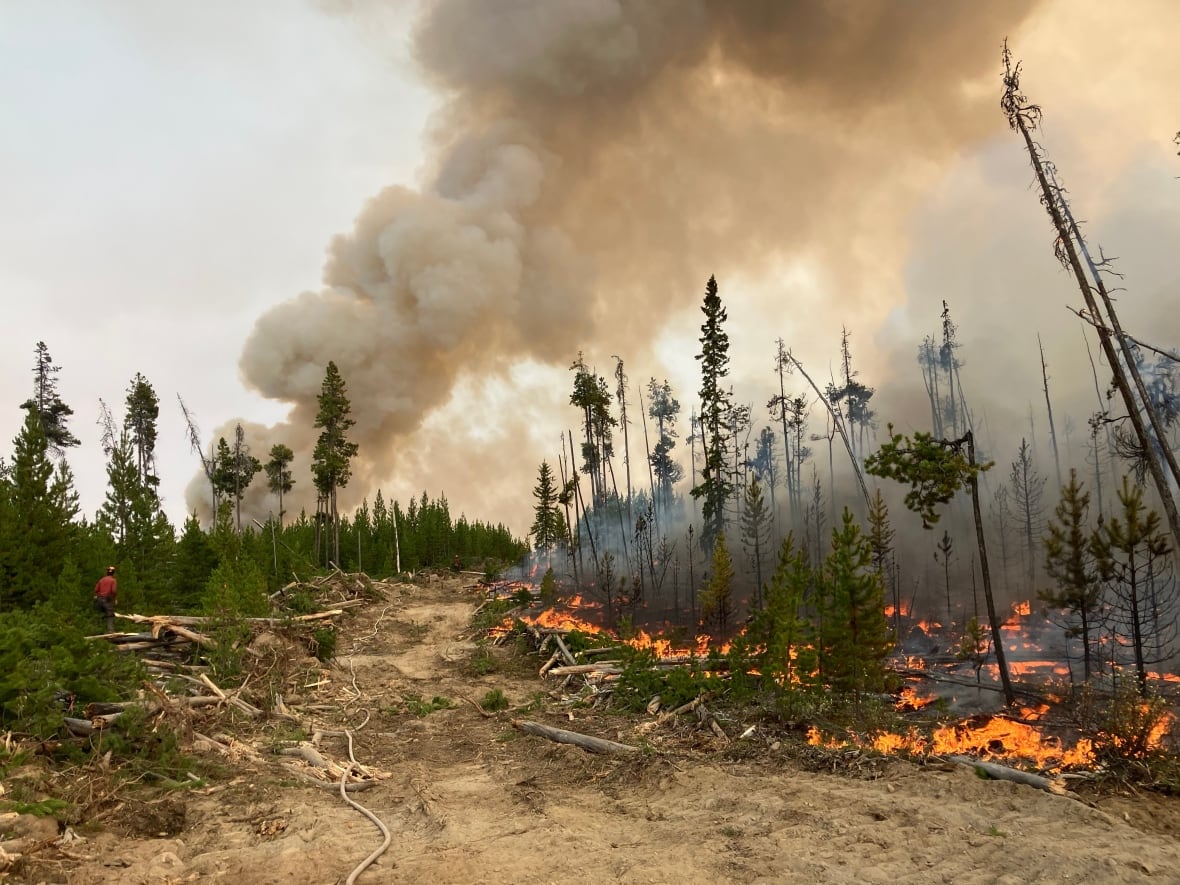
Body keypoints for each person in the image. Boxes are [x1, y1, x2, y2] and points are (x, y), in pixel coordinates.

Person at [94, 566, 118, 633]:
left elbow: (96, 589)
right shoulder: (113, 580)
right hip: (107, 600)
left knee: (99, 615)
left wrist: (97, 595)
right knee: (110, 615)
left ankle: (97, 631)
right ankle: (110, 631)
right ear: (113, 573)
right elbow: (113, 591)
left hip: (99, 599)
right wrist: (115, 599)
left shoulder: (101, 580)